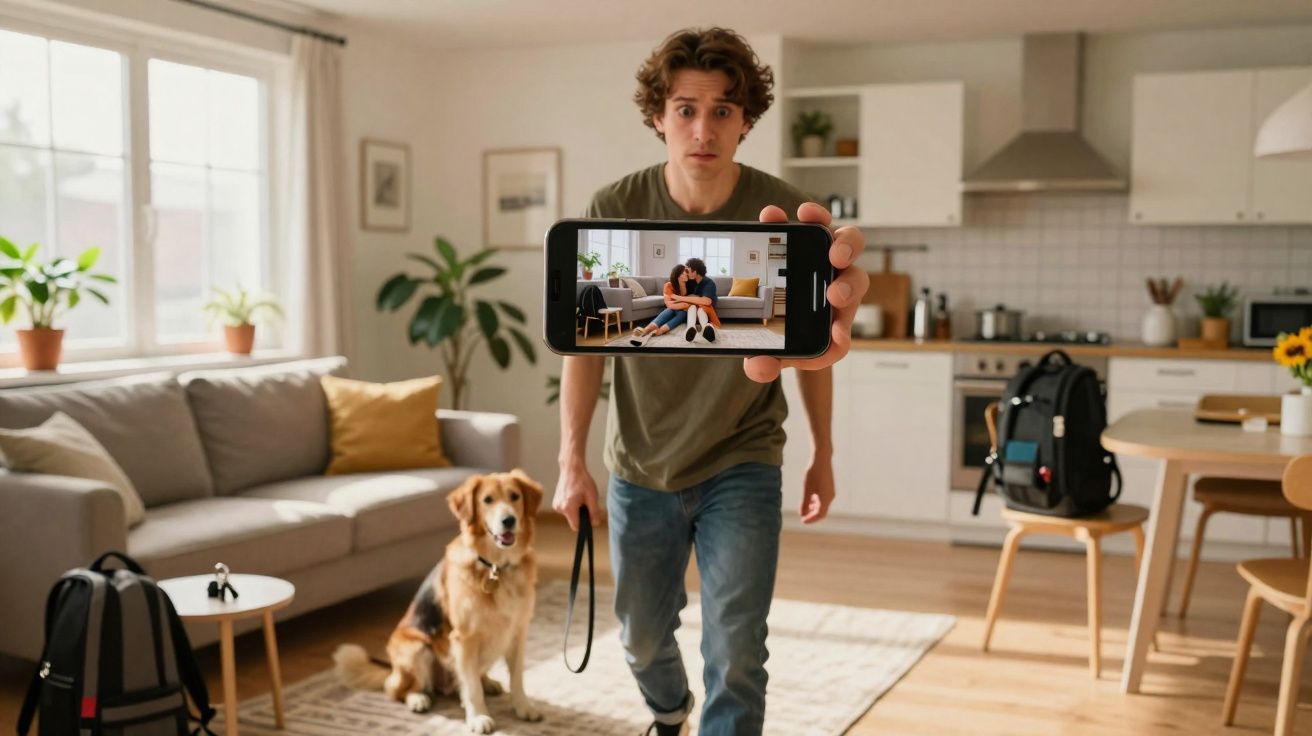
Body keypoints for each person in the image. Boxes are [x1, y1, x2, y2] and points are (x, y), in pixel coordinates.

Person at [553, 26, 869, 736]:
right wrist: (571, 460)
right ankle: (669, 712)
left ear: (746, 121)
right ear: (659, 116)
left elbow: (809, 354)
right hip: (641, 462)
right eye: (687, 109)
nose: (704, 128)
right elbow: (585, 349)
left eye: (723, 110)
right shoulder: (613, 208)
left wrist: (823, 452)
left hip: (743, 457)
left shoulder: (782, 213)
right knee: (638, 633)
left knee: (736, 648)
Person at [631, 265, 693, 346]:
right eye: (683, 273)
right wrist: (683, 304)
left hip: (683, 312)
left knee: (682, 313)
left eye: (686, 273)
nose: (686, 274)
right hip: (671, 309)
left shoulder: (690, 285)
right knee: (669, 310)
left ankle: (660, 331)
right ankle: (644, 331)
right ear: (677, 275)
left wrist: (680, 304)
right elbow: (668, 304)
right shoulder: (669, 285)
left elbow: (690, 303)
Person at [672, 257, 719, 343]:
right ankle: (691, 328)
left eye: (688, 271)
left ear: (695, 272)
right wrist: (681, 281)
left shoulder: (709, 282)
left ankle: (706, 328)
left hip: (706, 309)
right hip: (693, 308)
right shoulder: (690, 281)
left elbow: (706, 301)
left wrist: (680, 298)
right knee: (693, 306)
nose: (686, 273)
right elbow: (685, 294)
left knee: (701, 309)